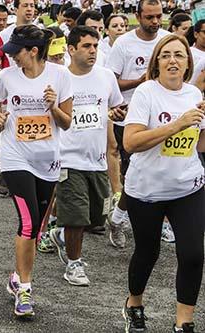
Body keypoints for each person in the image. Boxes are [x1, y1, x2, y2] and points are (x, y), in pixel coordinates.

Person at [122, 33, 205, 333]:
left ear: (187, 63)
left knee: (194, 254)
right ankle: (134, 304)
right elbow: (130, 142)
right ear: (157, 61)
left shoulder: (194, 96)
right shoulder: (146, 93)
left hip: (188, 187)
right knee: (148, 252)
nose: (173, 60)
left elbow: (199, 142)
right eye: (166, 55)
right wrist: (176, 125)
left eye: (179, 55)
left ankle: (184, 322)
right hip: (147, 190)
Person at [0, 24, 72, 317]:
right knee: (28, 223)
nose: (12, 58)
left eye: (17, 52)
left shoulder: (61, 76)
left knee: (35, 229)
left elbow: (67, 122)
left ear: (34, 51)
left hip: (47, 160)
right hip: (15, 157)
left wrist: (52, 106)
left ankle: (16, 277)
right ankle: (25, 290)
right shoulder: (8, 76)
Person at [49, 26, 124, 286]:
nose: (93, 51)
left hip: (97, 159)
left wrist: (117, 114)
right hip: (67, 157)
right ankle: (73, 264)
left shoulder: (105, 77)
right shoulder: (59, 78)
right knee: (76, 217)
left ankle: (61, 234)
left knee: (95, 218)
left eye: (95, 46)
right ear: (71, 50)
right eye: (86, 46)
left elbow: (115, 106)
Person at [106, 0, 169, 248]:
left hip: (162, 117)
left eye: (159, 17)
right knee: (135, 174)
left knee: (164, 170)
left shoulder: (167, 40)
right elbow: (112, 83)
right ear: (137, 15)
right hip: (130, 118)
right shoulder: (124, 43)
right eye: (150, 17)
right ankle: (119, 218)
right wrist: (141, 81)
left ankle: (161, 222)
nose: (155, 22)